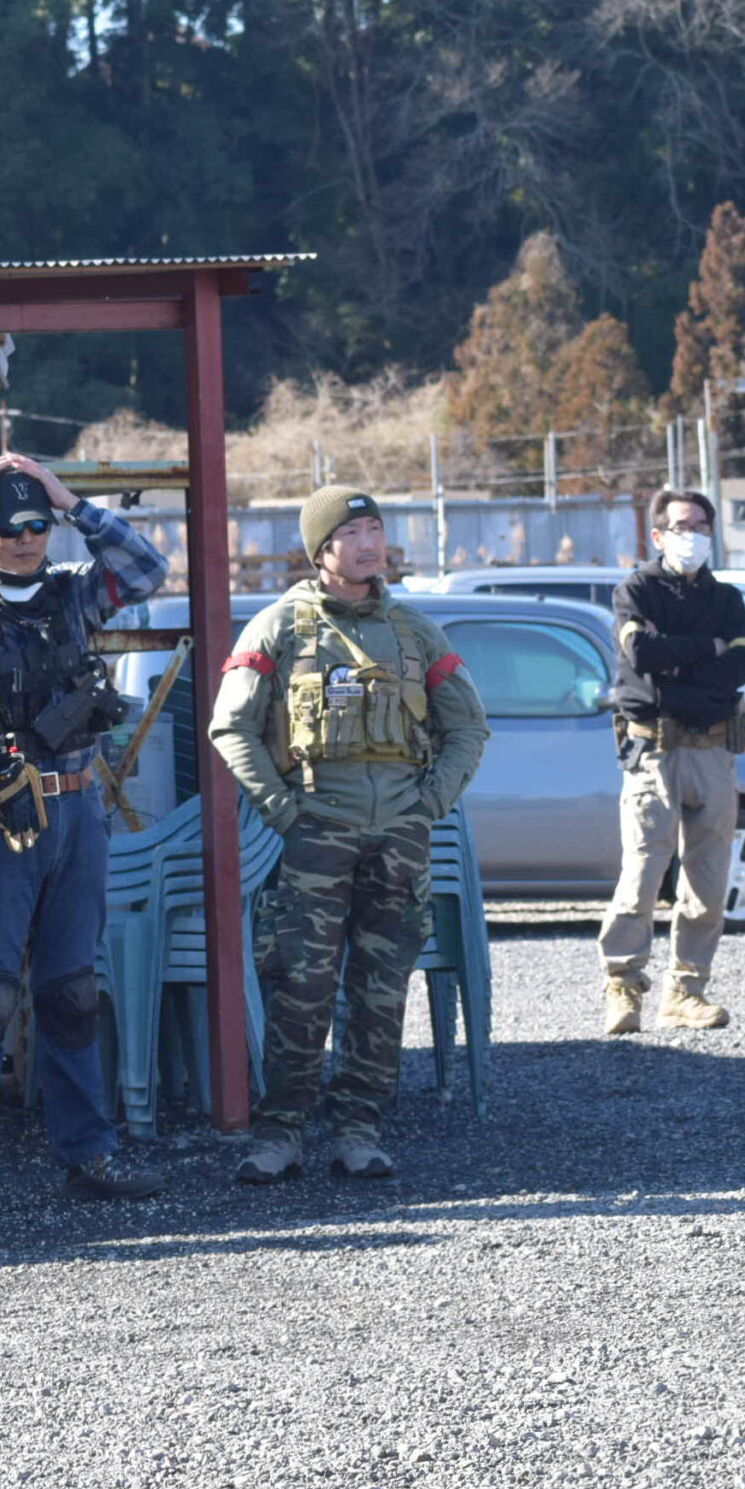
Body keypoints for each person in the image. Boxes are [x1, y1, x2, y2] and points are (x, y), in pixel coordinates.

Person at [0, 452, 169, 1218]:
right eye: (9, 524)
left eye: (36, 524)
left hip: (77, 811)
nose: (25, 537)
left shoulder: (74, 594)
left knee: (72, 991)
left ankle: (88, 1152)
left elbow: (148, 569)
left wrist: (72, 503)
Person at [210, 487, 488, 1183]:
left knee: (381, 989)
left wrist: (428, 804)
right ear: (321, 549)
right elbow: (231, 726)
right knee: (299, 986)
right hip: (316, 832)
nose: (370, 544)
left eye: (376, 529)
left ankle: (358, 1128)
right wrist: (282, 811)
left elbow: (468, 727)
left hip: (400, 837)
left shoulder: (415, 631)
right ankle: (280, 1133)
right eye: (353, 532)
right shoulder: (278, 626)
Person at [599, 488, 745, 1035]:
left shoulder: (726, 598)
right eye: (680, 527)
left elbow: (741, 666)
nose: (691, 537)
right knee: (642, 874)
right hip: (654, 750)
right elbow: (641, 655)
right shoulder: (636, 590)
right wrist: (709, 649)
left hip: (712, 749)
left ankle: (686, 992)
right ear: (658, 535)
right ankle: (622, 986)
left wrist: (678, 659)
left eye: (700, 527)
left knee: (708, 880)